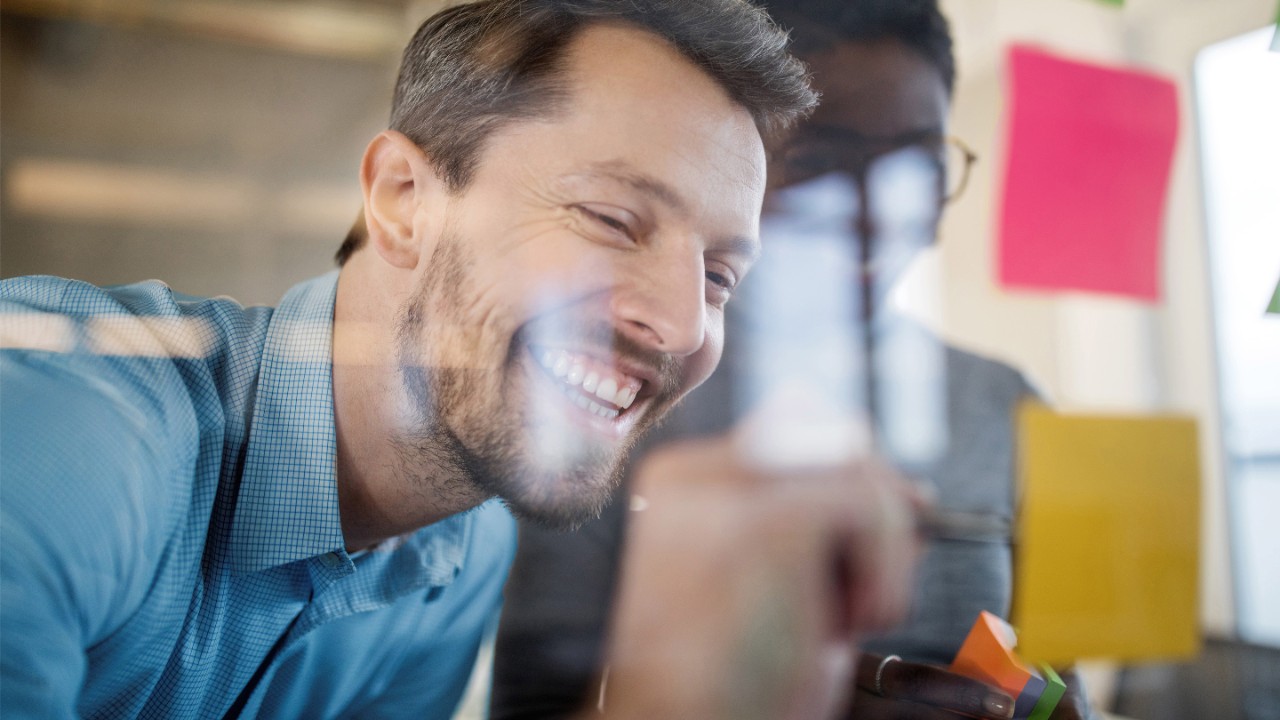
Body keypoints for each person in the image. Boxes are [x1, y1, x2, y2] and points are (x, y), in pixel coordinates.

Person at [0, 1, 926, 718]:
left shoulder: (461, 537)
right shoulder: (65, 438)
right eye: (611, 219)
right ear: (404, 198)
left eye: (720, 275)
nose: (683, 324)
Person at [491, 1, 1095, 719]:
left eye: (919, 167)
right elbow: (532, 704)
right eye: (820, 162)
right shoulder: (622, 391)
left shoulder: (1005, 405)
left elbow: (1059, 685)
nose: (874, 214)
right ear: (736, 173)